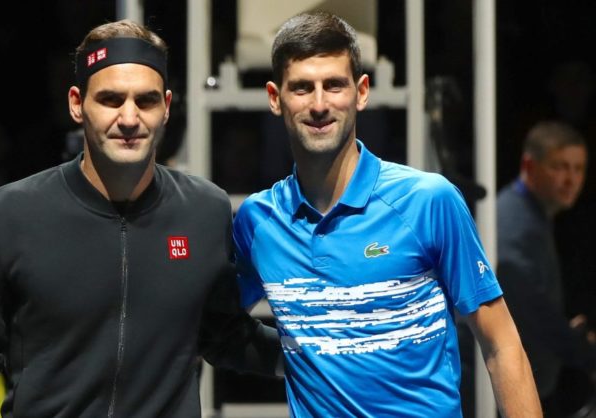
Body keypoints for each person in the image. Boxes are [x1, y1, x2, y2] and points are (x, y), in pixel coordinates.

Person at [0, 19, 281, 418]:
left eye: (145, 101)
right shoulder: (4, 217)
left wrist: (323, 356)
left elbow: (222, 335)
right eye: (111, 100)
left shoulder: (205, 210)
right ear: (77, 104)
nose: (130, 118)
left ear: (166, 107)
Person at [232, 11, 541, 417]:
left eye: (335, 85)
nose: (320, 104)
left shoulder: (429, 201)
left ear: (361, 92)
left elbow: (502, 344)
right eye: (303, 88)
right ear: (276, 98)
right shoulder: (258, 221)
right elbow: (204, 325)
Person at [497, 120, 596, 417]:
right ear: (530, 166)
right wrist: (581, 351)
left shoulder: (532, 215)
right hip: (508, 392)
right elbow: (525, 303)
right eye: (560, 167)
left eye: (578, 169)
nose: (571, 179)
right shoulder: (515, 221)